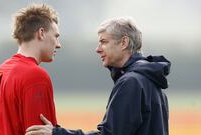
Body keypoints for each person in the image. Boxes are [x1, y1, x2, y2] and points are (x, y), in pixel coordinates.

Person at [25, 17, 171, 135]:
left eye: (104, 42)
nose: (97, 49)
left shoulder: (131, 82)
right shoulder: (150, 80)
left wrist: (57, 133)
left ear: (124, 43)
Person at [0, 3, 61, 135]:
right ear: (41, 33)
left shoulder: (1, 71)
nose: (58, 45)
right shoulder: (36, 76)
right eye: (56, 36)